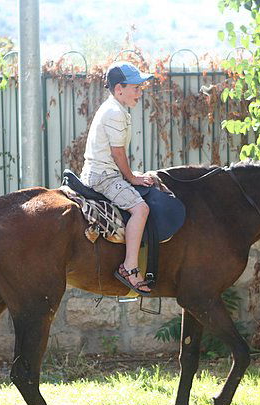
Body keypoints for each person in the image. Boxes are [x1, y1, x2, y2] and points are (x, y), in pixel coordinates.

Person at [81, 61, 155, 294]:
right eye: (135, 87)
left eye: (140, 87)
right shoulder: (114, 112)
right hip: (103, 176)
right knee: (140, 209)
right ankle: (130, 267)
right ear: (119, 88)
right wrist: (132, 178)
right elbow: (117, 152)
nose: (139, 92)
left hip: (100, 171)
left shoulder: (114, 108)